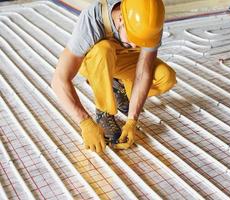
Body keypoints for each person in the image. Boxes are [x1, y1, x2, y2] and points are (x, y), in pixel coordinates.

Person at [51, 0, 176, 153]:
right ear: (121, 18)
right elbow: (59, 80)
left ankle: (119, 89)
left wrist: (132, 120)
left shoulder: (149, 21)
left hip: (123, 61)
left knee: (165, 77)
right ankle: (104, 112)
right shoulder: (92, 19)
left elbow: (143, 73)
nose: (137, 45)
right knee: (103, 50)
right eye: (133, 37)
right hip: (95, 62)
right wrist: (85, 122)